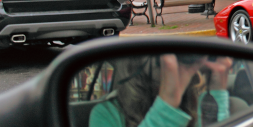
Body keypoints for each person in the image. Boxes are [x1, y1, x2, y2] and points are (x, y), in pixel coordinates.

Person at [90, 54, 233, 127]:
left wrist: (217, 91)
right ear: (136, 62)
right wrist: (167, 104)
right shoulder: (107, 113)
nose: (173, 60)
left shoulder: (197, 102)